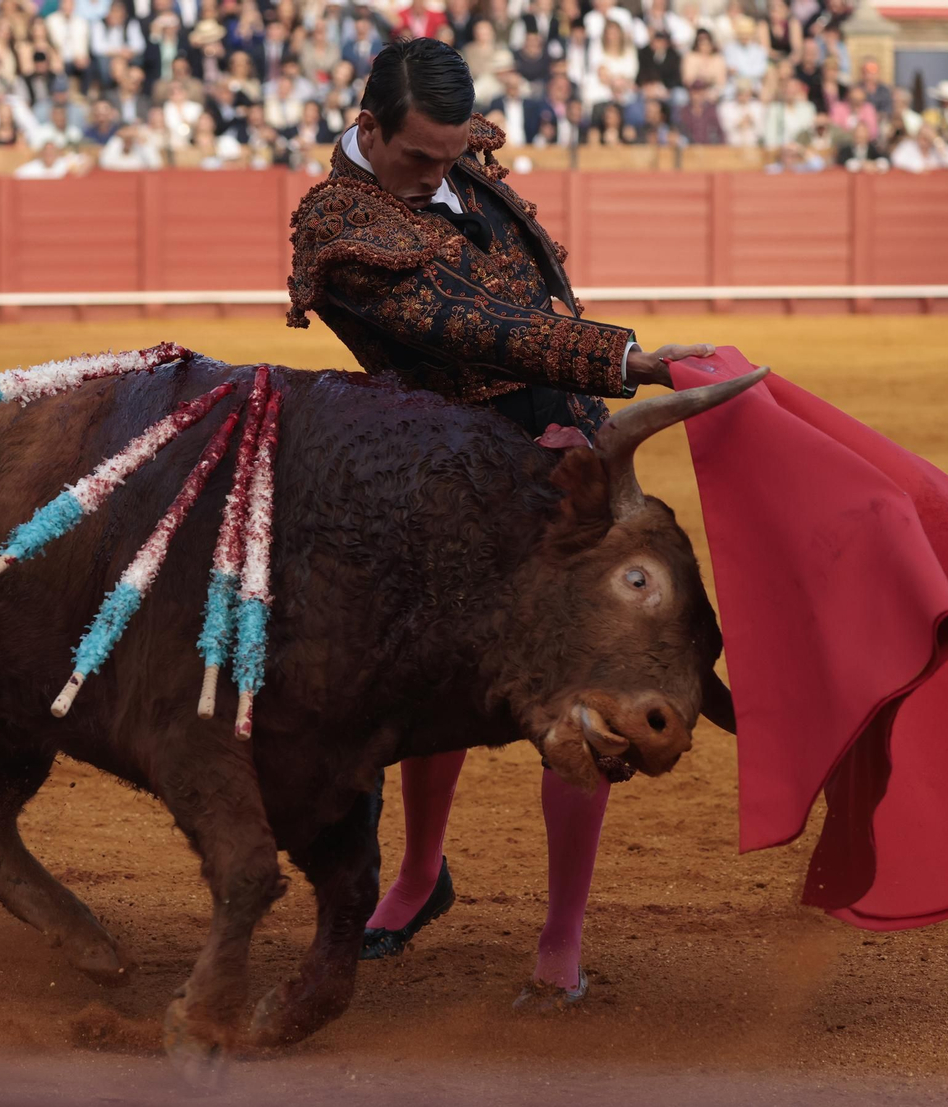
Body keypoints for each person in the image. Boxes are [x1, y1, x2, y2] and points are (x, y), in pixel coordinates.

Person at [286, 37, 712, 1009]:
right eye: (421, 158)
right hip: (445, 484)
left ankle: (559, 938)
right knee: (434, 687)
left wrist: (595, 413)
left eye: (452, 151)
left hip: (566, 459)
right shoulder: (338, 222)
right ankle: (417, 876)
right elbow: (476, 326)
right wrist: (627, 361)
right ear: (367, 130)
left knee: (589, 690)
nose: (444, 171)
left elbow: (524, 298)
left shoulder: (454, 164)